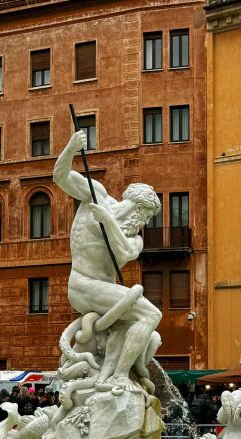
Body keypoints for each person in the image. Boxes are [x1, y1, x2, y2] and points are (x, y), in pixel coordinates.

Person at [53, 130, 162, 391]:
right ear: (137, 206)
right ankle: (119, 377)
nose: (145, 222)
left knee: (151, 334)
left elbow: (123, 252)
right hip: (82, 284)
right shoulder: (96, 194)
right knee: (151, 313)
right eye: (146, 215)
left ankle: (116, 374)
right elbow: (60, 176)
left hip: (104, 291)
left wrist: (109, 222)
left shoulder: (135, 238)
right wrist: (71, 148)